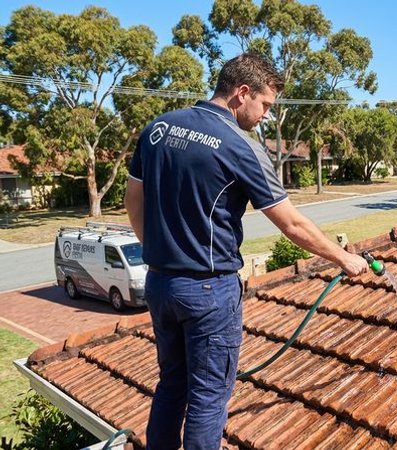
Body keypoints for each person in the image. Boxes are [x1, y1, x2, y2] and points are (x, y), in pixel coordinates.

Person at [124, 53, 368, 450]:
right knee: (208, 399)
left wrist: (156, 251)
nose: (266, 116)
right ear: (242, 93)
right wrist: (343, 258)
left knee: (171, 384)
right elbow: (291, 223)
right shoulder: (240, 146)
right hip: (208, 291)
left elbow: (133, 201)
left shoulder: (158, 128)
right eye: (265, 105)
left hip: (160, 284)